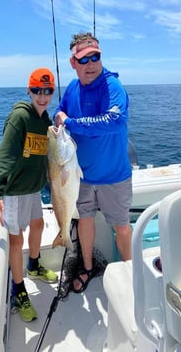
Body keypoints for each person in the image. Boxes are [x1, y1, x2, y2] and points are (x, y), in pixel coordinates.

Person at [54, 33, 132, 293]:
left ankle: (131, 272)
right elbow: (59, 112)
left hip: (114, 176)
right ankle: (87, 266)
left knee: (121, 226)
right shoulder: (73, 88)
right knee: (84, 220)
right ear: (73, 62)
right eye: (83, 59)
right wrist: (59, 119)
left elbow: (114, 121)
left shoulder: (112, 86)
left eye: (95, 57)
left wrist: (71, 123)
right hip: (81, 176)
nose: (90, 63)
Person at [0, 68, 58, 322]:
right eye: (37, 91)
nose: (42, 96)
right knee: (17, 242)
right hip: (14, 190)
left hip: (33, 188)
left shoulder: (45, 119)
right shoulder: (20, 117)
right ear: (28, 91)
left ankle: (34, 265)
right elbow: (4, 155)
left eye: (48, 91)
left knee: (38, 225)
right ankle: (18, 289)